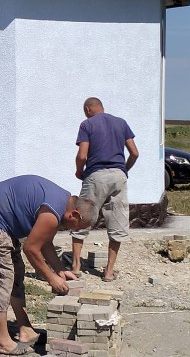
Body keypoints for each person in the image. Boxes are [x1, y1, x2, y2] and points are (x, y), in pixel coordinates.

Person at [0, 175, 96, 355]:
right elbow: (31, 248)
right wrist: (51, 278)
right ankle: (2, 341)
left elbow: (45, 243)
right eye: (78, 227)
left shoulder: (61, 203)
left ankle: (25, 329)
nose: (75, 231)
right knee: (1, 276)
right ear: (74, 214)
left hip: (1, 220)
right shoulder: (53, 211)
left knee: (17, 272)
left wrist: (60, 270)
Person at [71, 97, 139, 282]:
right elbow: (134, 152)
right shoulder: (121, 123)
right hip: (119, 177)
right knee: (117, 222)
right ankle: (108, 272)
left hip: (96, 176)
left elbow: (82, 155)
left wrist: (79, 171)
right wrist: (124, 169)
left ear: (87, 109)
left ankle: (76, 267)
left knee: (82, 218)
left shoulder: (87, 125)